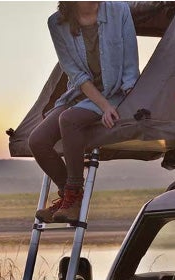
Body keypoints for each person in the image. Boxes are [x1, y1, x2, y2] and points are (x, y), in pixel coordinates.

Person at [28, 1, 139, 223]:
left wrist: (124, 103)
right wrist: (102, 106)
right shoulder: (57, 23)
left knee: (68, 120)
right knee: (37, 141)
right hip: (80, 93)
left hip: (115, 93)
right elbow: (75, 74)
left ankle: (71, 196)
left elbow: (130, 63)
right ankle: (70, 196)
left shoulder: (119, 11)